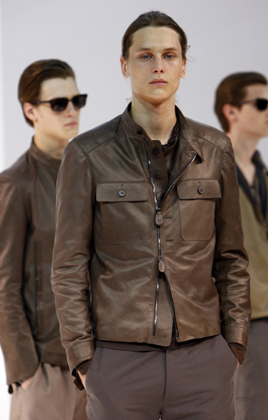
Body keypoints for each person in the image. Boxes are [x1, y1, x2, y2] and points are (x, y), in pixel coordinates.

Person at [51, 12, 251, 420]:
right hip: (116, 363)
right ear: (124, 65)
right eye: (145, 55)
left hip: (205, 361)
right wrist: (85, 360)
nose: (158, 65)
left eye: (169, 55)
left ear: (182, 65)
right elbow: (67, 266)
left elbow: (232, 257)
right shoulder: (86, 154)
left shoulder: (214, 149)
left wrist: (234, 345)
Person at [0, 59, 88, 420]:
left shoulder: (91, 174)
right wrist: (25, 371)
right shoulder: (16, 184)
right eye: (59, 103)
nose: (71, 111)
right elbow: (5, 284)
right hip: (46, 371)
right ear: (30, 110)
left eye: (77, 100)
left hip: (98, 367)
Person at [214, 72, 268, 420]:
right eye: (261, 104)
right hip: (247, 322)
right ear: (231, 111)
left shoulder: (262, 171)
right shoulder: (213, 170)